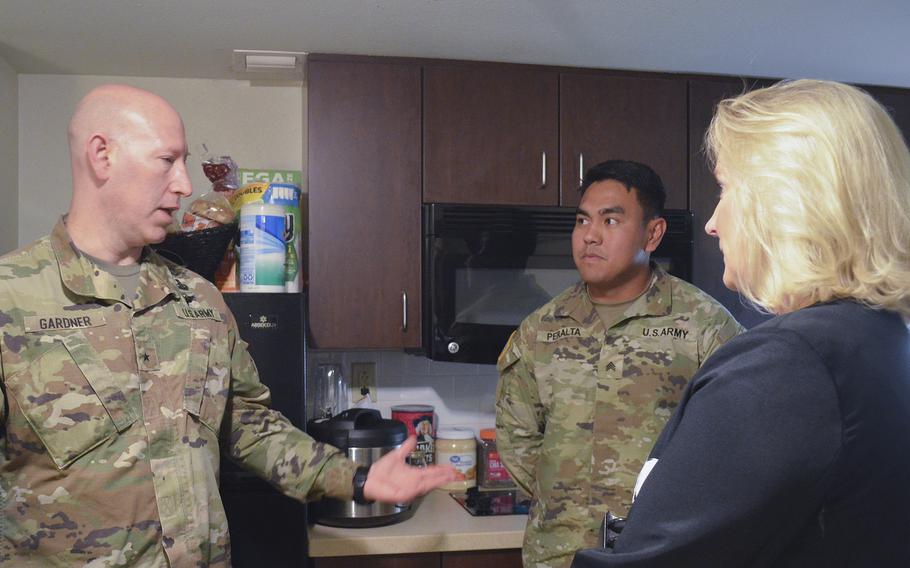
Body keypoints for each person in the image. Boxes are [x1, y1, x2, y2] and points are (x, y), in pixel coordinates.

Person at [0, 84, 454, 567]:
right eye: (167, 161)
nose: (182, 184)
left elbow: (249, 426)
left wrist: (356, 479)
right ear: (101, 155)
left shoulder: (199, 299)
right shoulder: (12, 297)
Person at [572, 79, 910, 568]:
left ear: (786, 202)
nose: (712, 222)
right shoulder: (878, 338)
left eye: (727, 189)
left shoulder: (788, 367)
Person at [496, 160, 743, 568]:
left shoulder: (704, 325)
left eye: (611, 221)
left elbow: (734, 442)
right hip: (559, 554)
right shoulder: (540, 329)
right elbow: (517, 440)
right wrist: (569, 501)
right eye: (582, 221)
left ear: (653, 233)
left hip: (664, 553)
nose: (590, 236)